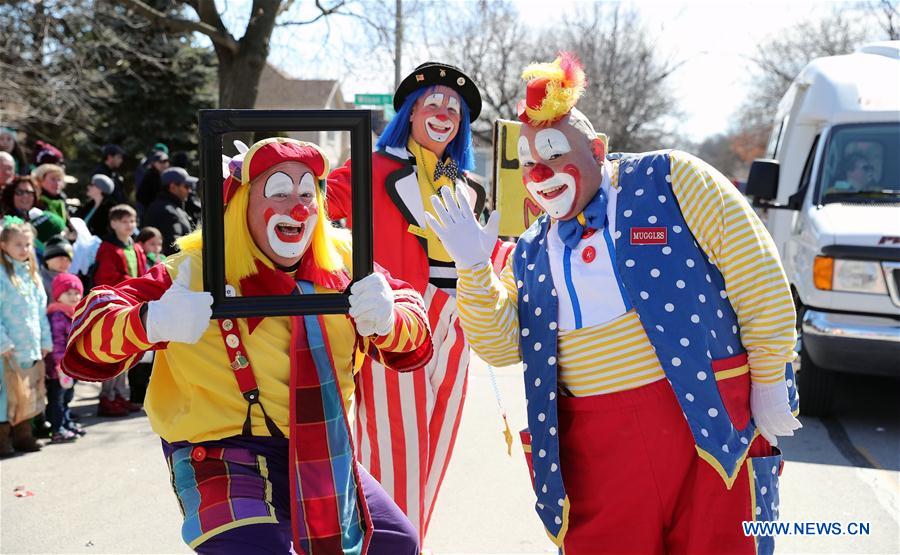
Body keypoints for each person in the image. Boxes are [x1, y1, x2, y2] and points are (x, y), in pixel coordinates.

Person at [426, 53, 801, 555]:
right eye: (531, 163)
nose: (541, 174)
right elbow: (499, 347)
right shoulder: (533, 251)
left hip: (706, 428)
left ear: (597, 149)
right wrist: (473, 269)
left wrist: (771, 373)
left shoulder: (669, 179)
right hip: (597, 457)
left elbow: (755, 269)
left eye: (556, 156)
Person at [64, 137, 431, 554]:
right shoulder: (194, 269)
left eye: (308, 193)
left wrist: (390, 317)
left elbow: (414, 336)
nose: (298, 207)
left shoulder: (347, 259)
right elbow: (86, 335)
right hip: (220, 451)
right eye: (278, 192)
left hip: (321, 448)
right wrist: (148, 322)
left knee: (395, 545)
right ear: (243, 203)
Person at [327, 62, 513, 541]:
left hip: (458, 321)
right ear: (410, 113)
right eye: (433, 101)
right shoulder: (373, 167)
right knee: (394, 455)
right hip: (399, 318)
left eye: (453, 108)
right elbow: (316, 202)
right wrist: (257, 175)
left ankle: (405, 545)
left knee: (432, 454)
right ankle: (385, 546)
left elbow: (490, 251)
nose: (443, 112)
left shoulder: (468, 186)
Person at [0, 218, 51, 454]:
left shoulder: (32, 275)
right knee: (5, 394)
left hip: (28, 344)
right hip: (7, 347)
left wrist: (44, 340)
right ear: (4, 245)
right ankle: (2, 438)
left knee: (27, 391)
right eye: (18, 244)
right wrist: (2, 340)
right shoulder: (1, 274)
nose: (24, 249)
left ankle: (23, 434)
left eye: (28, 244)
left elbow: (40, 311)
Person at [92, 204, 146, 416]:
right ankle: (107, 397)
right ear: (113, 223)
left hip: (132, 304)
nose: (130, 225)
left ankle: (121, 395)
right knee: (112, 352)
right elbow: (106, 279)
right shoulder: (107, 248)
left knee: (127, 352)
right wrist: (134, 284)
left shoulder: (136, 247)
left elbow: (143, 273)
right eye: (124, 221)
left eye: (132, 221)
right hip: (113, 306)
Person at [44, 272, 84, 442]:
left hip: (71, 366)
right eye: (69, 293)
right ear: (58, 295)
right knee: (57, 399)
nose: (74, 297)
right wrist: (61, 365)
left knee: (67, 397)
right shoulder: (58, 315)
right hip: (58, 368)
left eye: (77, 293)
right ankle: (57, 428)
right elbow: (58, 343)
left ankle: (66, 423)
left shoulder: (74, 313)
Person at [0, 177, 66, 249]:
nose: (25, 196)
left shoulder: (43, 214)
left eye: (29, 192)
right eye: (19, 192)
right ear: (11, 195)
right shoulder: (4, 221)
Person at [142, 167, 195, 256]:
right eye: (186, 186)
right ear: (173, 187)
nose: (189, 190)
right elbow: (174, 247)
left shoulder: (171, 207)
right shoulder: (167, 210)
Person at [39, 235, 73, 301]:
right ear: (47, 260)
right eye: (61, 258)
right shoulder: (40, 281)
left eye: (69, 259)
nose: (65, 263)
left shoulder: (72, 279)